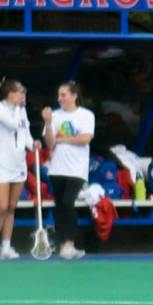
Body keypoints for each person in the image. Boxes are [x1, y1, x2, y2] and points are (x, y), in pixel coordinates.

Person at [41, 81, 95, 260]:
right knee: (59, 206)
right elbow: (50, 143)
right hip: (57, 167)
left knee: (67, 203)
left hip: (77, 168)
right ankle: (61, 242)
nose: (60, 98)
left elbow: (86, 138)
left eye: (63, 95)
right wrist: (48, 124)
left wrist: (65, 139)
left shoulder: (86, 115)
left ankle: (69, 243)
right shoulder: (55, 115)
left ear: (74, 96)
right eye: (59, 95)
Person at [0, 78, 33, 260]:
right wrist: (20, 108)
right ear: (10, 93)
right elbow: (13, 124)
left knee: (12, 207)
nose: (23, 95)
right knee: (2, 206)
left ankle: (6, 246)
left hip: (18, 163)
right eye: (20, 92)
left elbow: (25, 133)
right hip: (1, 163)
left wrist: (32, 144)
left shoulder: (21, 111)